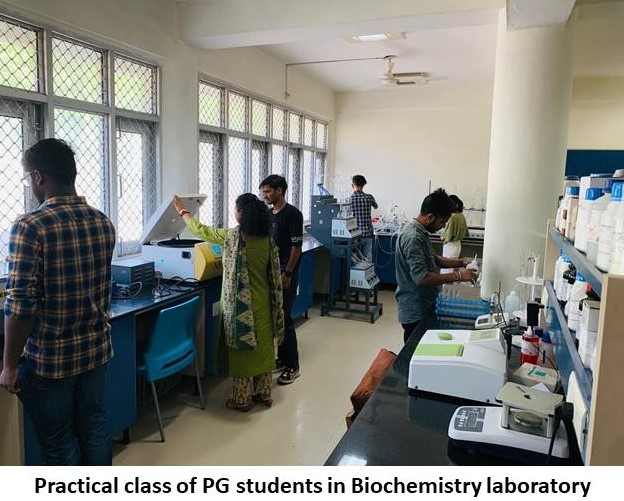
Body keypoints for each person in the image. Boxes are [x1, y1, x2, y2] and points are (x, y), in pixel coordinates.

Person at [0, 138, 116, 465]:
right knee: (95, 429)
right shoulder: (102, 221)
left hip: (51, 362)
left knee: (59, 442)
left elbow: (21, 305)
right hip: (96, 351)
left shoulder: (29, 227)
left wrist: (9, 365)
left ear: (38, 177)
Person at [173, 193, 284, 411]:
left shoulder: (233, 236)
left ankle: (242, 400)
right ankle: (264, 393)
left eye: (236, 209)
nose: (234, 212)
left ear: (242, 214)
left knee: (242, 350)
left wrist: (183, 211)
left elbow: (202, 231)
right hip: (263, 302)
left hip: (240, 305)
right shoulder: (266, 238)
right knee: (264, 347)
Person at [395, 188, 478, 343]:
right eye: (442, 222)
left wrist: (461, 262)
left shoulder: (421, 233)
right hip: (415, 309)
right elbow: (422, 278)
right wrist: (459, 275)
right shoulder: (413, 238)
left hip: (425, 303)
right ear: (430, 217)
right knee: (415, 351)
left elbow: (435, 259)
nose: (443, 226)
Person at [259, 175, 303, 385]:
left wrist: (288, 273)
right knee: (275, 318)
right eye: (263, 192)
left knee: (285, 318)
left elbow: (296, 247)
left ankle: (292, 366)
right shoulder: (268, 215)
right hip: (271, 274)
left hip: (285, 275)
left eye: (268, 191)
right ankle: (282, 358)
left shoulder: (292, 214)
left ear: (279, 191)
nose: (265, 195)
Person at [350, 174, 379, 263]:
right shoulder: (369, 197)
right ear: (364, 185)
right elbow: (376, 206)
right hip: (368, 233)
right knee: (368, 257)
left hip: (355, 235)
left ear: (352, 185)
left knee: (356, 261)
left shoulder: (349, 199)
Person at [441, 194, 469, 274]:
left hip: (450, 245)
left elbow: (448, 235)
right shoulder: (462, 216)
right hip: (458, 245)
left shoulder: (452, 217)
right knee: (452, 270)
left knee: (446, 271)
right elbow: (466, 232)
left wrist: (442, 238)